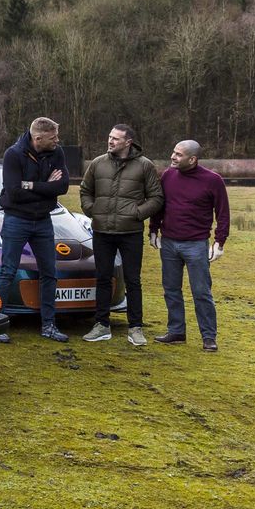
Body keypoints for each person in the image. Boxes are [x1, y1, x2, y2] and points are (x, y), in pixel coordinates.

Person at [79, 124, 164, 346]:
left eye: (116, 138)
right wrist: (92, 210)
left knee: (133, 280)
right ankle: (101, 325)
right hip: (102, 232)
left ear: (128, 142)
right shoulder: (98, 163)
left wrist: (137, 214)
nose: (110, 141)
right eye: (110, 137)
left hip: (130, 233)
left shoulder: (145, 165)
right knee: (103, 278)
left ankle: (135, 328)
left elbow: (156, 197)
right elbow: (85, 190)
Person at [149, 140, 230, 352]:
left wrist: (219, 242)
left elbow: (223, 213)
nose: (173, 157)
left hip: (196, 245)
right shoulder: (168, 175)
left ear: (192, 159)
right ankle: (176, 331)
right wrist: (153, 229)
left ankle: (209, 337)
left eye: (178, 154)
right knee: (171, 290)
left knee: (201, 292)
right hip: (169, 244)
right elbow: (160, 205)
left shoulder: (213, 180)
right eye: (173, 152)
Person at [0, 117, 70, 343]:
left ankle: (49, 325)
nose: (57, 141)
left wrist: (30, 185)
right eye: (53, 137)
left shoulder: (57, 153)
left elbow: (62, 186)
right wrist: (46, 186)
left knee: (49, 273)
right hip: (16, 220)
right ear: (38, 138)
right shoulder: (13, 155)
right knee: (8, 271)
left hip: (43, 221)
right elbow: (14, 192)